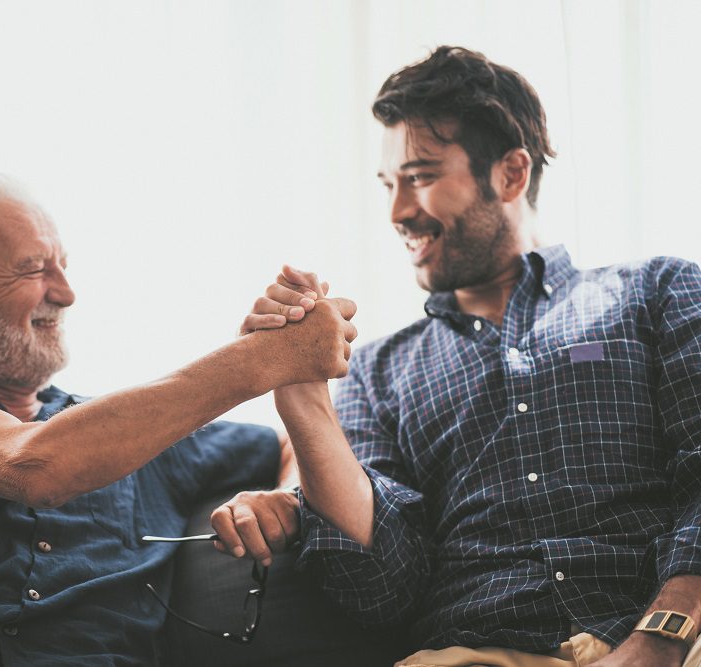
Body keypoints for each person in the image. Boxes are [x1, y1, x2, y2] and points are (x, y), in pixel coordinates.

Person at [215, 46, 701, 667]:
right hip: (478, 652)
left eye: (420, 176)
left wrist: (661, 635)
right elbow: (379, 590)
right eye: (390, 185)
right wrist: (304, 401)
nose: (397, 212)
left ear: (510, 175)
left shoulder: (657, 291)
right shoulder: (376, 372)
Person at [0, 173, 357, 666]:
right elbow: (33, 465)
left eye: (62, 266)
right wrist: (266, 357)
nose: (66, 293)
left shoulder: (144, 441)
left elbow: (286, 445)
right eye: (33, 269)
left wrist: (286, 497)